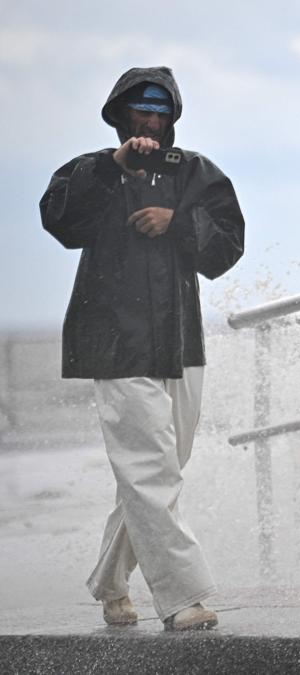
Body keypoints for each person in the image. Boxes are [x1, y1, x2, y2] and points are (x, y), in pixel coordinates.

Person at [40, 66, 245, 631]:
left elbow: (227, 247)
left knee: (157, 472)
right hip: (114, 345)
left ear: (172, 117)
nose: (150, 121)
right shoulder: (90, 171)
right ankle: (183, 599)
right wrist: (112, 170)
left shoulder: (197, 173)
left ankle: (110, 583)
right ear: (120, 116)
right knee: (151, 474)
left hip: (181, 345)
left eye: (160, 111)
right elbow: (59, 222)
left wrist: (178, 223)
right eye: (140, 111)